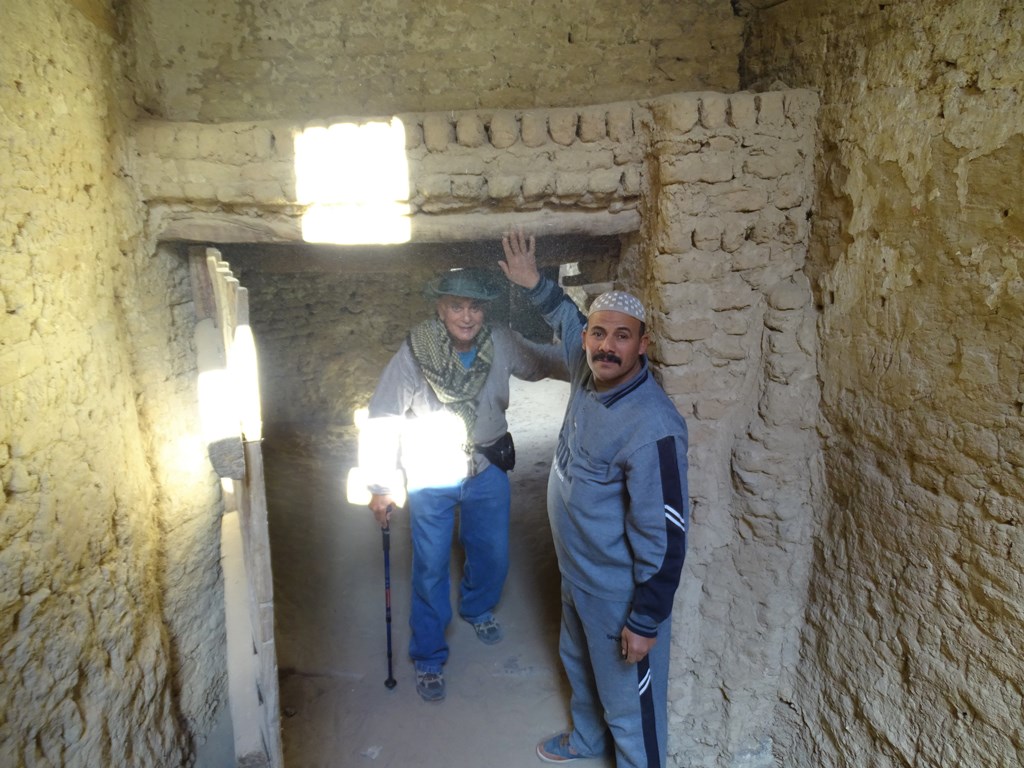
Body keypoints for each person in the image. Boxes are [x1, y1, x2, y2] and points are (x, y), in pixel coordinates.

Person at [499, 231, 690, 767]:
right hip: (577, 573)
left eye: (622, 337)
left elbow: (667, 535)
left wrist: (645, 620)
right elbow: (564, 317)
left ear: (642, 345)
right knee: (580, 666)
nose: (607, 345)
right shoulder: (587, 370)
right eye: (599, 333)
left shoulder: (653, 426)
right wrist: (533, 282)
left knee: (632, 709)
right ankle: (586, 742)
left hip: (618, 594)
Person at [359, 267, 567, 702]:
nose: (467, 317)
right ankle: (430, 654)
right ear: (440, 307)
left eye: (475, 307)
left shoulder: (502, 341)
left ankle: (476, 606)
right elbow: (383, 415)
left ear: (485, 311)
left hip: (486, 464)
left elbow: (545, 361)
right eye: (457, 306)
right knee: (431, 564)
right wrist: (379, 484)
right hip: (431, 470)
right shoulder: (417, 351)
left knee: (491, 550)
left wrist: (596, 361)